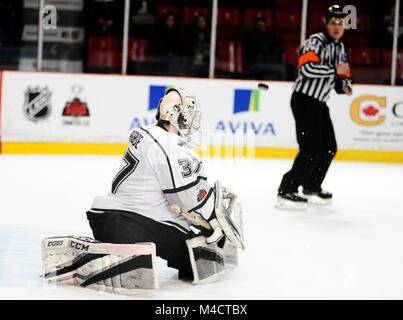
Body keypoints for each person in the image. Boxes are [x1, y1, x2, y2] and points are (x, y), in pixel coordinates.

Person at [85, 87, 242, 281]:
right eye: (189, 114)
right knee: (200, 261)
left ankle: (114, 251)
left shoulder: (149, 133)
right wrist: (212, 222)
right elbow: (186, 195)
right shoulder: (169, 144)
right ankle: (124, 259)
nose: (192, 121)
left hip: (107, 218)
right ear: (176, 114)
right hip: (133, 224)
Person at [275, 5, 353, 210]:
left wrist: (345, 85)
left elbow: (342, 76)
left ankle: (311, 186)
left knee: (329, 147)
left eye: (340, 23)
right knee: (310, 148)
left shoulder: (341, 48)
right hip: (304, 100)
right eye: (333, 23)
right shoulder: (314, 41)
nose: (337, 27)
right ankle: (286, 190)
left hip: (320, 103)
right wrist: (334, 71)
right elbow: (306, 68)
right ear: (326, 25)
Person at [242, 16, 286, 80]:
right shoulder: (252, 36)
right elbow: (261, 52)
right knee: (283, 68)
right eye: (260, 25)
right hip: (255, 64)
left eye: (264, 26)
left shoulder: (267, 37)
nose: (262, 28)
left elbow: (280, 48)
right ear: (255, 26)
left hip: (267, 63)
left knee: (289, 69)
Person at [149, 11, 184, 75]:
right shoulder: (158, 31)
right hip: (160, 56)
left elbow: (180, 48)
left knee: (175, 60)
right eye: (169, 20)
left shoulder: (177, 32)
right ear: (165, 20)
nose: (171, 22)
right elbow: (155, 46)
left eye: (173, 20)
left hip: (173, 57)